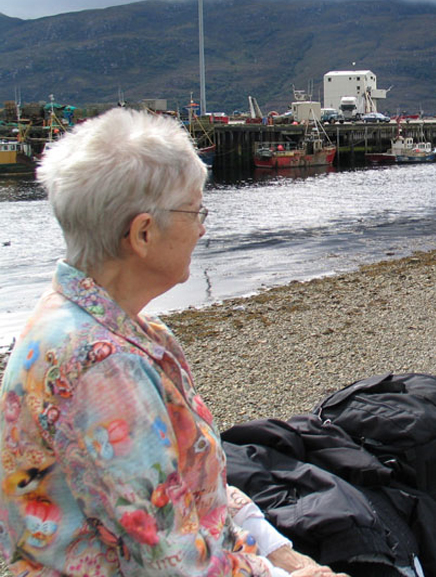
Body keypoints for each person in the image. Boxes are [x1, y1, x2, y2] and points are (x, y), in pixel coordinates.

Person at [0, 108, 346, 577]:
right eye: (194, 210)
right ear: (143, 233)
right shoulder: (100, 366)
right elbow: (173, 565)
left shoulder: (112, 323)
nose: (203, 227)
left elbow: (192, 494)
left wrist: (277, 550)